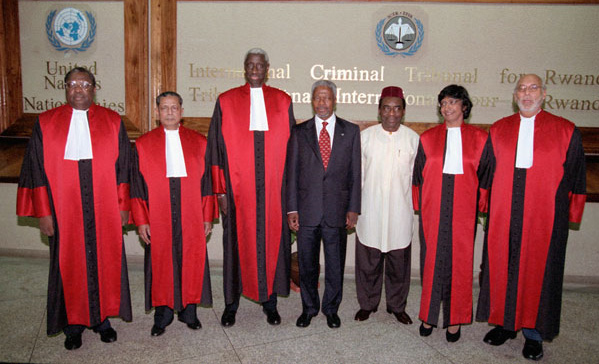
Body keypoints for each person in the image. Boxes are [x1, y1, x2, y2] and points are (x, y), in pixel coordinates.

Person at [16, 67, 132, 350]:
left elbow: (124, 169)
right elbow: (36, 171)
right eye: (72, 84)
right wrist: (43, 212)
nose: (78, 89)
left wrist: (123, 207)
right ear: (65, 88)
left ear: (94, 88)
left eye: (84, 84)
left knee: (104, 261)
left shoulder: (112, 121)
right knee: (68, 266)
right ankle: (73, 325)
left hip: (104, 209)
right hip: (63, 211)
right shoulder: (46, 122)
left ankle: (101, 319)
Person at [476, 74, 586, 360]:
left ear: (544, 94)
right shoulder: (499, 129)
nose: (527, 93)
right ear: (515, 96)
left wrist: (572, 214)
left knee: (541, 273)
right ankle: (505, 325)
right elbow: (487, 173)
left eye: (533, 88)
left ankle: (534, 334)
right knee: (504, 267)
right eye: (521, 89)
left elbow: (576, 177)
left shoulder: (565, 130)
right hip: (505, 215)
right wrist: (485, 205)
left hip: (544, 219)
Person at [205, 48, 296, 327]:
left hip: (273, 193)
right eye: (250, 64)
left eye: (260, 65)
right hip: (237, 192)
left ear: (267, 68)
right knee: (235, 245)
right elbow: (215, 151)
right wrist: (220, 191)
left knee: (271, 245)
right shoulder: (227, 101)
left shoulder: (282, 101)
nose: (255, 69)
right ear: (244, 68)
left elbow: (293, 151)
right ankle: (231, 304)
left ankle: (269, 302)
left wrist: (290, 195)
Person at [130, 91, 217, 337]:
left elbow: (207, 183)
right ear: (157, 113)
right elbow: (137, 187)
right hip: (158, 214)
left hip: (191, 212)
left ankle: (189, 311)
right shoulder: (143, 144)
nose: (169, 112)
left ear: (181, 111)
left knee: (191, 258)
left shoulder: (199, 142)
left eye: (174, 107)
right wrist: (142, 220)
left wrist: (207, 216)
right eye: (164, 108)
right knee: (161, 262)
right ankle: (163, 314)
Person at [412, 85, 491, 342]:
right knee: (432, 262)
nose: (447, 107)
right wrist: (419, 206)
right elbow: (417, 177)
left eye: (453, 102)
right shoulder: (428, 138)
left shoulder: (480, 139)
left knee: (460, 264)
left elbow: (486, 178)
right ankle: (428, 315)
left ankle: (455, 319)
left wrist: (480, 207)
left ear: (464, 107)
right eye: (443, 103)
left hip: (463, 212)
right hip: (433, 210)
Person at [286, 80, 361, 329]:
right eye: (318, 97)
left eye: (327, 98)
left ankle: (331, 309)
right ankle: (309, 308)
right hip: (307, 211)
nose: (322, 103)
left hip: (337, 211)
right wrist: (292, 209)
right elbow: (292, 174)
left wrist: (353, 208)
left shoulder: (350, 131)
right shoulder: (299, 132)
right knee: (307, 265)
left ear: (334, 100)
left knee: (335, 265)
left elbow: (355, 174)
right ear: (311, 101)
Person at [354, 86, 418, 326]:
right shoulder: (365, 138)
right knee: (368, 263)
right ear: (379, 111)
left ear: (403, 111)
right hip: (370, 210)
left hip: (400, 212)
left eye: (397, 108)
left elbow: (416, 179)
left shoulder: (413, 140)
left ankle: (396, 306)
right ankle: (367, 305)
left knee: (398, 264)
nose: (392, 113)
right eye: (387, 108)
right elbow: (356, 177)